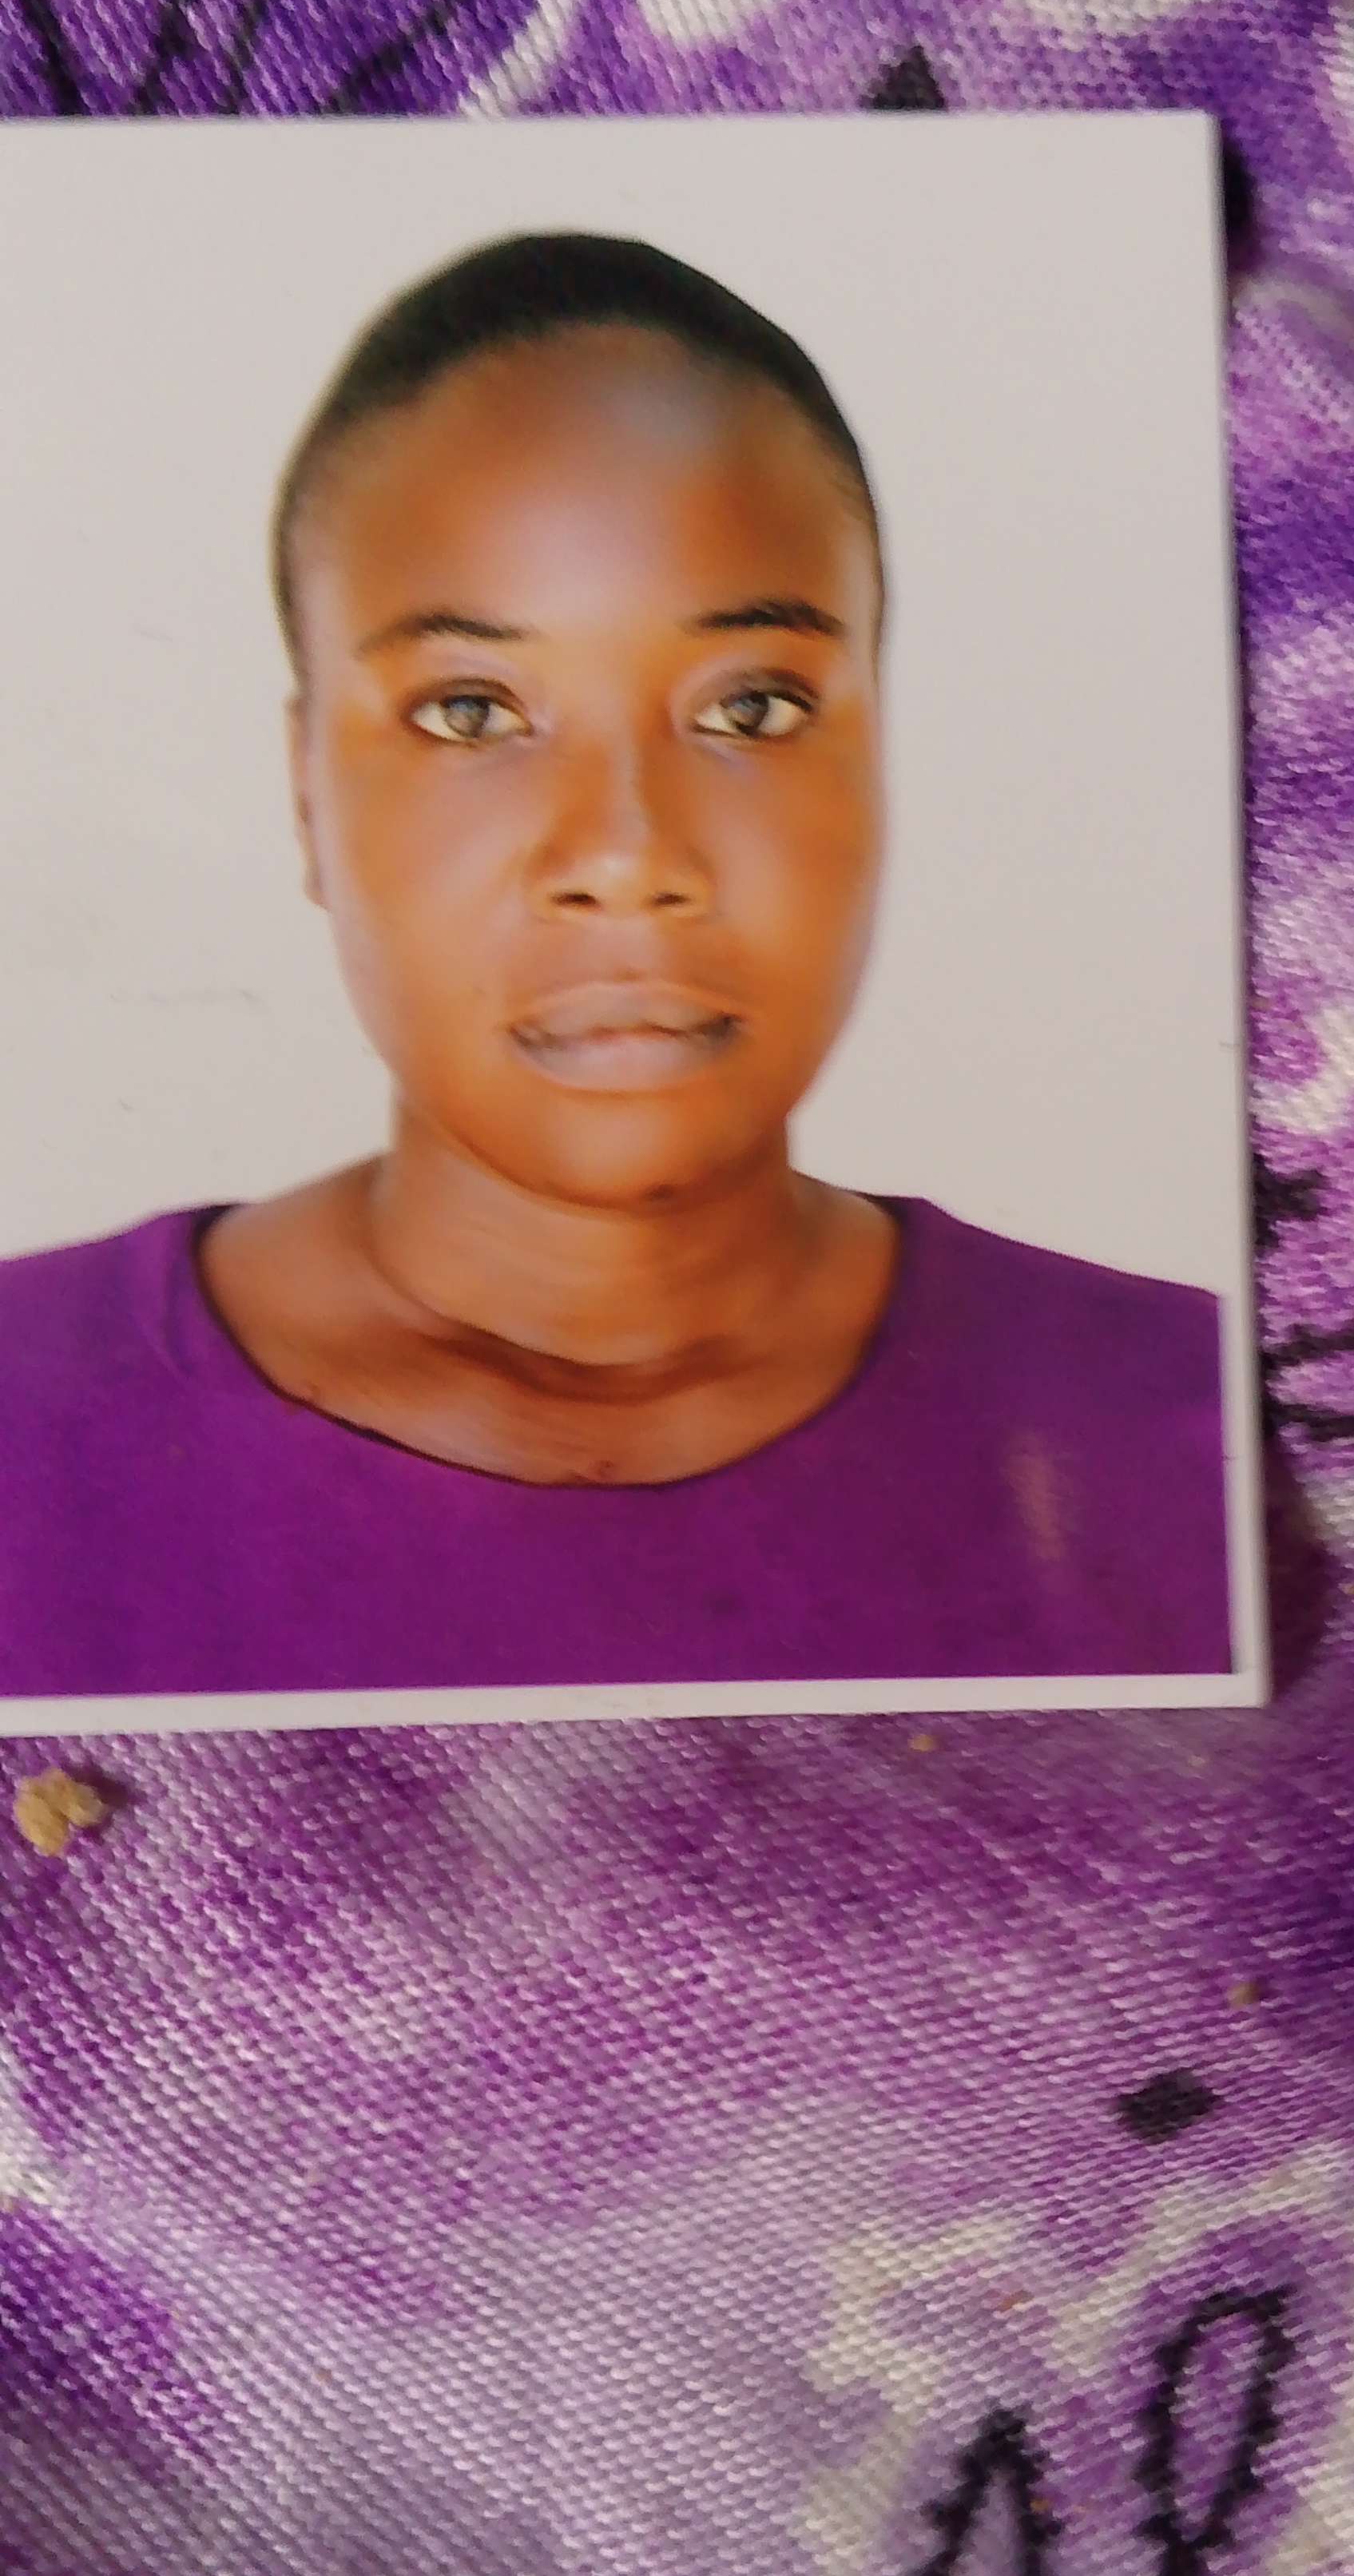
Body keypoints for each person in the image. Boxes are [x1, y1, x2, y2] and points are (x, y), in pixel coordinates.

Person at [0, 233, 1232, 1695]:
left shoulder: (1207, 1425)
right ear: (306, 797)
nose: (629, 851)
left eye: (751, 709)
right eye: (471, 712)